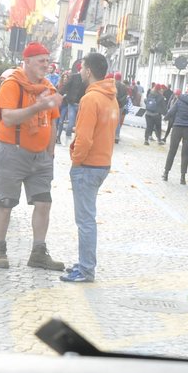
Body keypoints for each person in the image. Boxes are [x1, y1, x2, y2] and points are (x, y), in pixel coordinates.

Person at [0, 42, 64, 270]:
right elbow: (8, 118)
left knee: (44, 203)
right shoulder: (12, 84)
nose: (46, 64)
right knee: (5, 204)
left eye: (47, 60)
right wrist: (36, 107)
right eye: (41, 60)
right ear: (28, 61)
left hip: (40, 157)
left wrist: (50, 153)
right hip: (11, 152)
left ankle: (38, 252)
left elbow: (52, 121)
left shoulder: (48, 88)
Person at [61, 51, 118, 283]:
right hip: (102, 163)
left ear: (89, 71)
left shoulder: (90, 99)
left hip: (87, 164)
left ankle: (86, 269)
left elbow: (83, 138)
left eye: (82, 67)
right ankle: (85, 263)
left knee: (85, 220)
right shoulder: (110, 96)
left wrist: (76, 159)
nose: (80, 71)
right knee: (87, 219)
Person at [57, 61, 84, 145]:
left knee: (79, 125)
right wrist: (59, 94)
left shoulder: (86, 80)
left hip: (81, 104)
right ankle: (67, 138)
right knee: (71, 123)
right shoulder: (74, 77)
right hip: (72, 103)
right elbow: (66, 86)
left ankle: (75, 141)